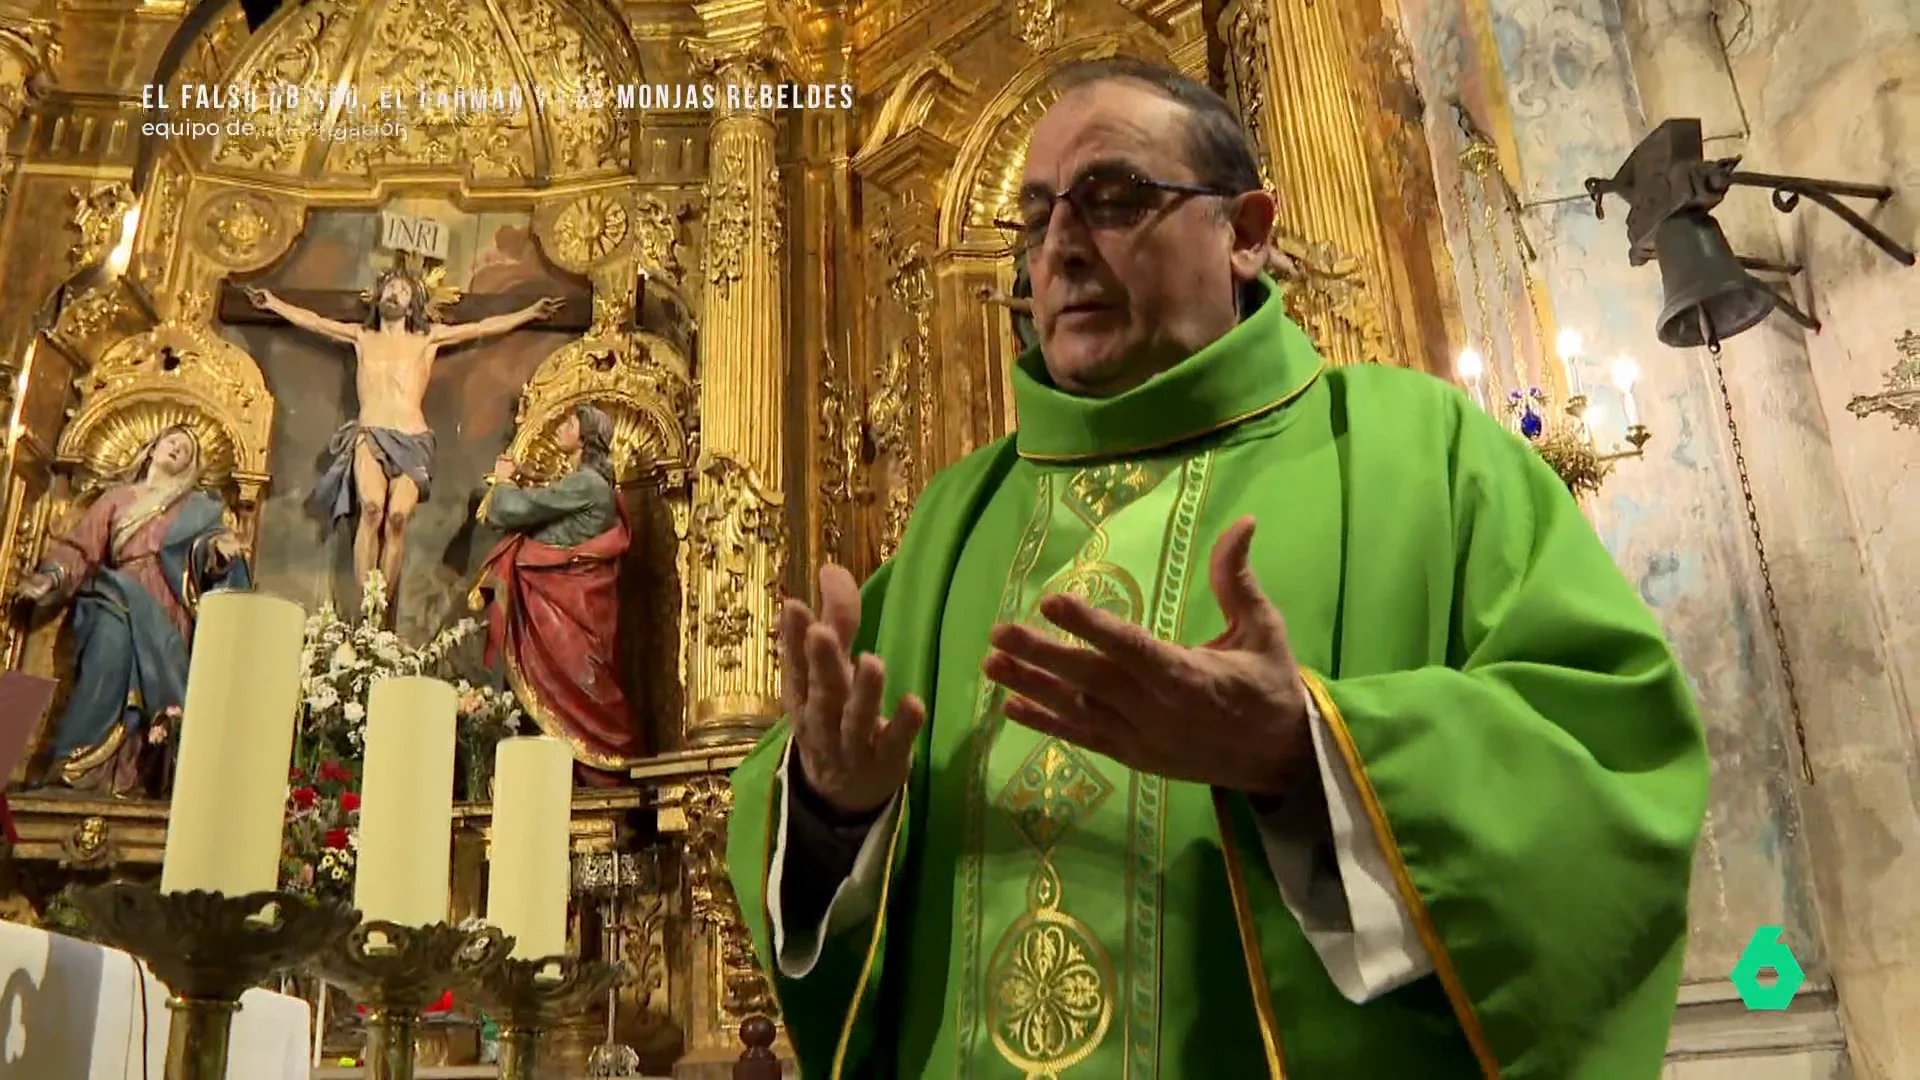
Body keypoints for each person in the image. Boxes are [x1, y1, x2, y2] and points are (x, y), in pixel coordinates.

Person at [724, 57, 1709, 1078]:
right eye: (1036, 215)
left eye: (1113, 199)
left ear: (1244, 233)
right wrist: (836, 809)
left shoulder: (1421, 452)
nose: (1057, 249)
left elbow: (1614, 774)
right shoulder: (954, 519)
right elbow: (809, 857)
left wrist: (1307, 754)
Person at [247, 270, 563, 612]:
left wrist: (529, 313)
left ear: (414, 303)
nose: (394, 295)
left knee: (397, 518)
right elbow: (315, 322)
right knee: (371, 510)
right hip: (371, 434)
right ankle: (366, 608)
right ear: (378, 297)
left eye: (402, 290)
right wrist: (274, 303)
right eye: (388, 289)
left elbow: (482, 327)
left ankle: (380, 606)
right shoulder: (362, 337)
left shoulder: (426, 340)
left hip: (413, 438)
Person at [11, 426, 251, 796]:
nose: (177, 450)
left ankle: (132, 779)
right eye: (172, 442)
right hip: (113, 594)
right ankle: (77, 764)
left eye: (186, 449)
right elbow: (80, 549)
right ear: (152, 449)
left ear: (192, 466)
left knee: (151, 695)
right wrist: (51, 577)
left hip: (165, 608)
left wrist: (218, 554)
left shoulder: (197, 510)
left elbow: (209, 555)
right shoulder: (117, 500)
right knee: (105, 659)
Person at [472, 404, 644, 784]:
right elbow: (550, 507)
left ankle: (602, 772)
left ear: (584, 437)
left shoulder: (587, 485)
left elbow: (519, 510)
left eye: (569, 423)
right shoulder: (585, 484)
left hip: (569, 609)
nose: (561, 427)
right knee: (566, 694)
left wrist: (503, 482)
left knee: (580, 687)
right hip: (561, 602)